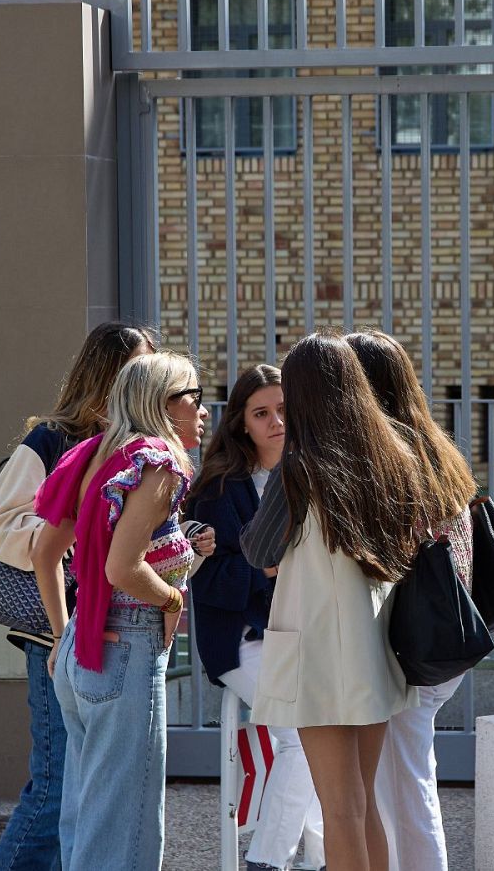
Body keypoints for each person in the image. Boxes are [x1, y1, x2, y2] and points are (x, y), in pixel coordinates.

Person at [241, 332, 428, 871]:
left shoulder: (298, 468)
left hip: (316, 651)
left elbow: (256, 550)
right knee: (363, 804)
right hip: (374, 646)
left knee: (339, 810)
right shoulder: (396, 456)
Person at [0, 321, 157, 871]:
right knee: (58, 786)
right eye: (138, 367)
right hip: (56, 634)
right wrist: (81, 533)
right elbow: (3, 528)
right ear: (109, 373)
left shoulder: (134, 445)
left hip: (108, 629)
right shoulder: (52, 438)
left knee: (91, 792)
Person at [31, 352, 212, 871]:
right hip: (125, 647)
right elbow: (122, 568)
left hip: (83, 649)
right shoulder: (158, 462)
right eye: (193, 397)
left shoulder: (95, 455)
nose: (203, 410)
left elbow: (45, 554)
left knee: (88, 817)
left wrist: (63, 636)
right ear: (162, 403)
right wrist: (173, 599)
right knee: (123, 826)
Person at [183, 364, 325, 871]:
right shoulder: (219, 488)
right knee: (302, 736)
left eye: (284, 410)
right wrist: (264, 568)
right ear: (242, 422)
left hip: (302, 634)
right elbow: (206, 579)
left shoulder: (312, 475)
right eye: (261, 413)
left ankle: (322, 858)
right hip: (241, 639)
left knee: (322, 735)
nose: (276, 422)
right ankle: (266, 860)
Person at [345, 330, 476, 871]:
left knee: (403, 789)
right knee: (401, 782)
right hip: (441, 636)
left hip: (407, 646)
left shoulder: (388, 455)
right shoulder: (434, 447)